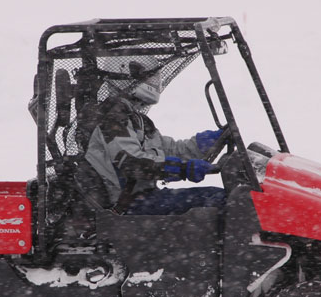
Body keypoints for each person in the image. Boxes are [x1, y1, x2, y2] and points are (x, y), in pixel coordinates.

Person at [83, 58, 226, 215]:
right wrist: (183, 169)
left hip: (145, 198)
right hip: (127, 207)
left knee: (219, 197)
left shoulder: (138, 121)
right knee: (217, 199)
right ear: (124, 72)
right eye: (149, 77)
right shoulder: (111, 119)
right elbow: (133, 164)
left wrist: (205, 143)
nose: (154, 82)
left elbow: (170, 150)